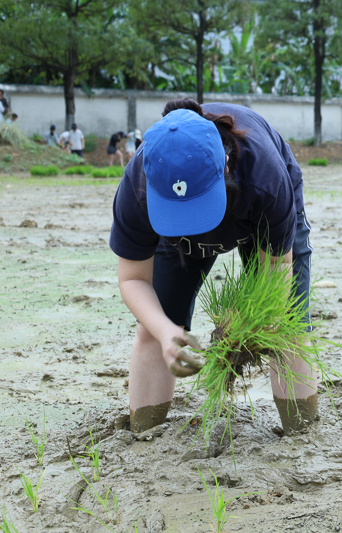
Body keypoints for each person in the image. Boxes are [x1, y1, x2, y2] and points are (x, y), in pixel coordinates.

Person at [110, 98, 315, 435]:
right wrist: (164, 331)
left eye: (197, 209)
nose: (194, 227)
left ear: (226, 165)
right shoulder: (138, 187)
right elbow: (133, 279)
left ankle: (302, 435)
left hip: (254, 209)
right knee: (152, 327)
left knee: (287, 326)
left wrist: (248, 326)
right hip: (174, 238)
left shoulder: (264, 176)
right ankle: (144, 433)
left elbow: (277, 266)